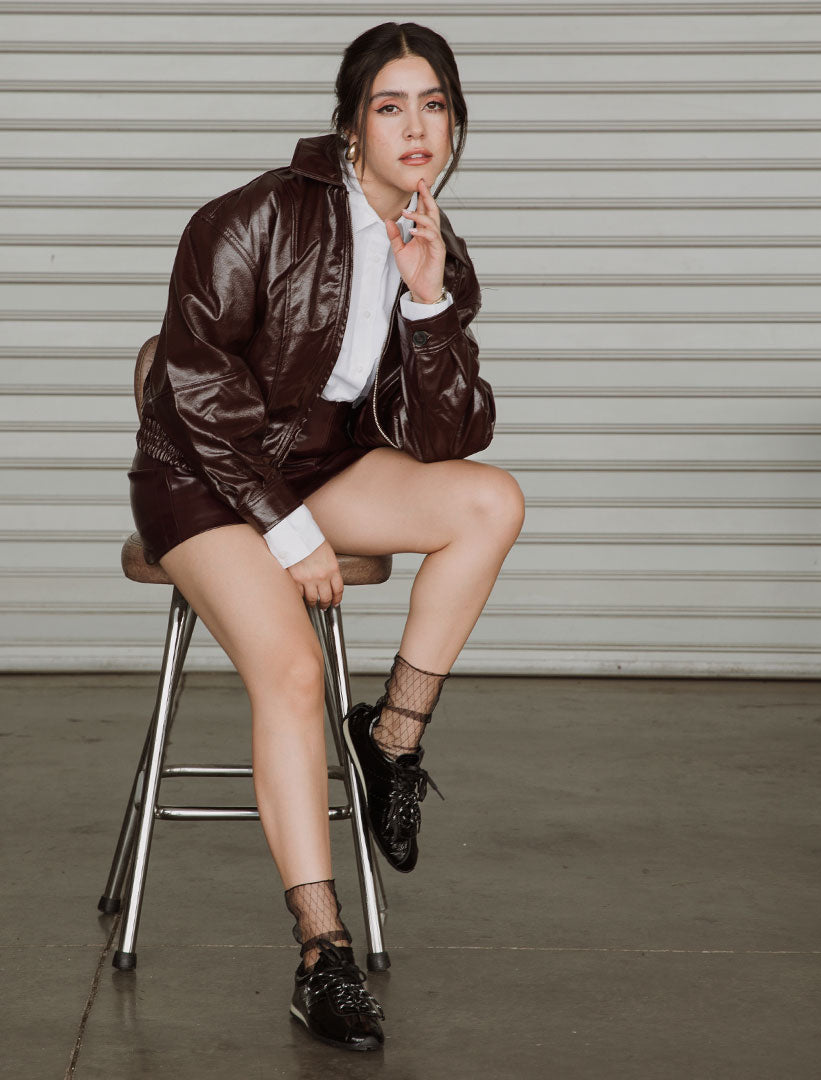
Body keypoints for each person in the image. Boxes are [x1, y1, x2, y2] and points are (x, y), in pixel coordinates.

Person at [129, 21, 525, 1052]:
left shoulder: (436, 246)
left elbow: (443, 442)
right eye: (391, 106)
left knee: (491, 502)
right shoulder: (253, 217)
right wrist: (287, 527)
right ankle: (322, 955)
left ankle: (390, 741)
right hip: (201, 477)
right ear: (351, 124)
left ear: (456, 122)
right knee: (296, 672)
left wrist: (430, 301)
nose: (416, 126)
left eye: (434, 105)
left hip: (321, 466)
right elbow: (194, 391)